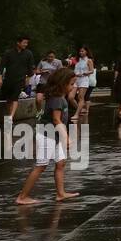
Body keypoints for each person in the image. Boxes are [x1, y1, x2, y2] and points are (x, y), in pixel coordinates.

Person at [16, 67, 80, 205]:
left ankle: (60, 193)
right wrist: (67, 137)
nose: (73, 87)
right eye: (71, 84)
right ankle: (22, 197)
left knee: (61, 163)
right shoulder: (57, 99)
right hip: (47, 135)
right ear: (62, 83)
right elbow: (56, 120)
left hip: (54, 136)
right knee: (41, 166)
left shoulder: (59, 98)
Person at [0, 35, 36, 124]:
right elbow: (2, 66)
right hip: (8, 79)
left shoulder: (28, 53)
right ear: (18, 42)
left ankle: (10, 118)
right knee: (9, 99)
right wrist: (0, 78)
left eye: (27, 43)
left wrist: (28, 79)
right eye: (24, 42)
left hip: (20, 79)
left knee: (15, 98)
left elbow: (30, 68)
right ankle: (9, 116)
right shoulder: (8, 53)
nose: (26, 44)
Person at [72, 47, 95, 118]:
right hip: (76, 79)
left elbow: (92, 70)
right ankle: (80, 109)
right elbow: (75, 70)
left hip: (84, 79)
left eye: (82, 51)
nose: (81, 52)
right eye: (80, 51)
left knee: (80, 97)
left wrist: (85, 73)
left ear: (86, 52)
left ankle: (76, 114)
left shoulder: (89, 60)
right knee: (70, 97)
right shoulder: (78, 60)